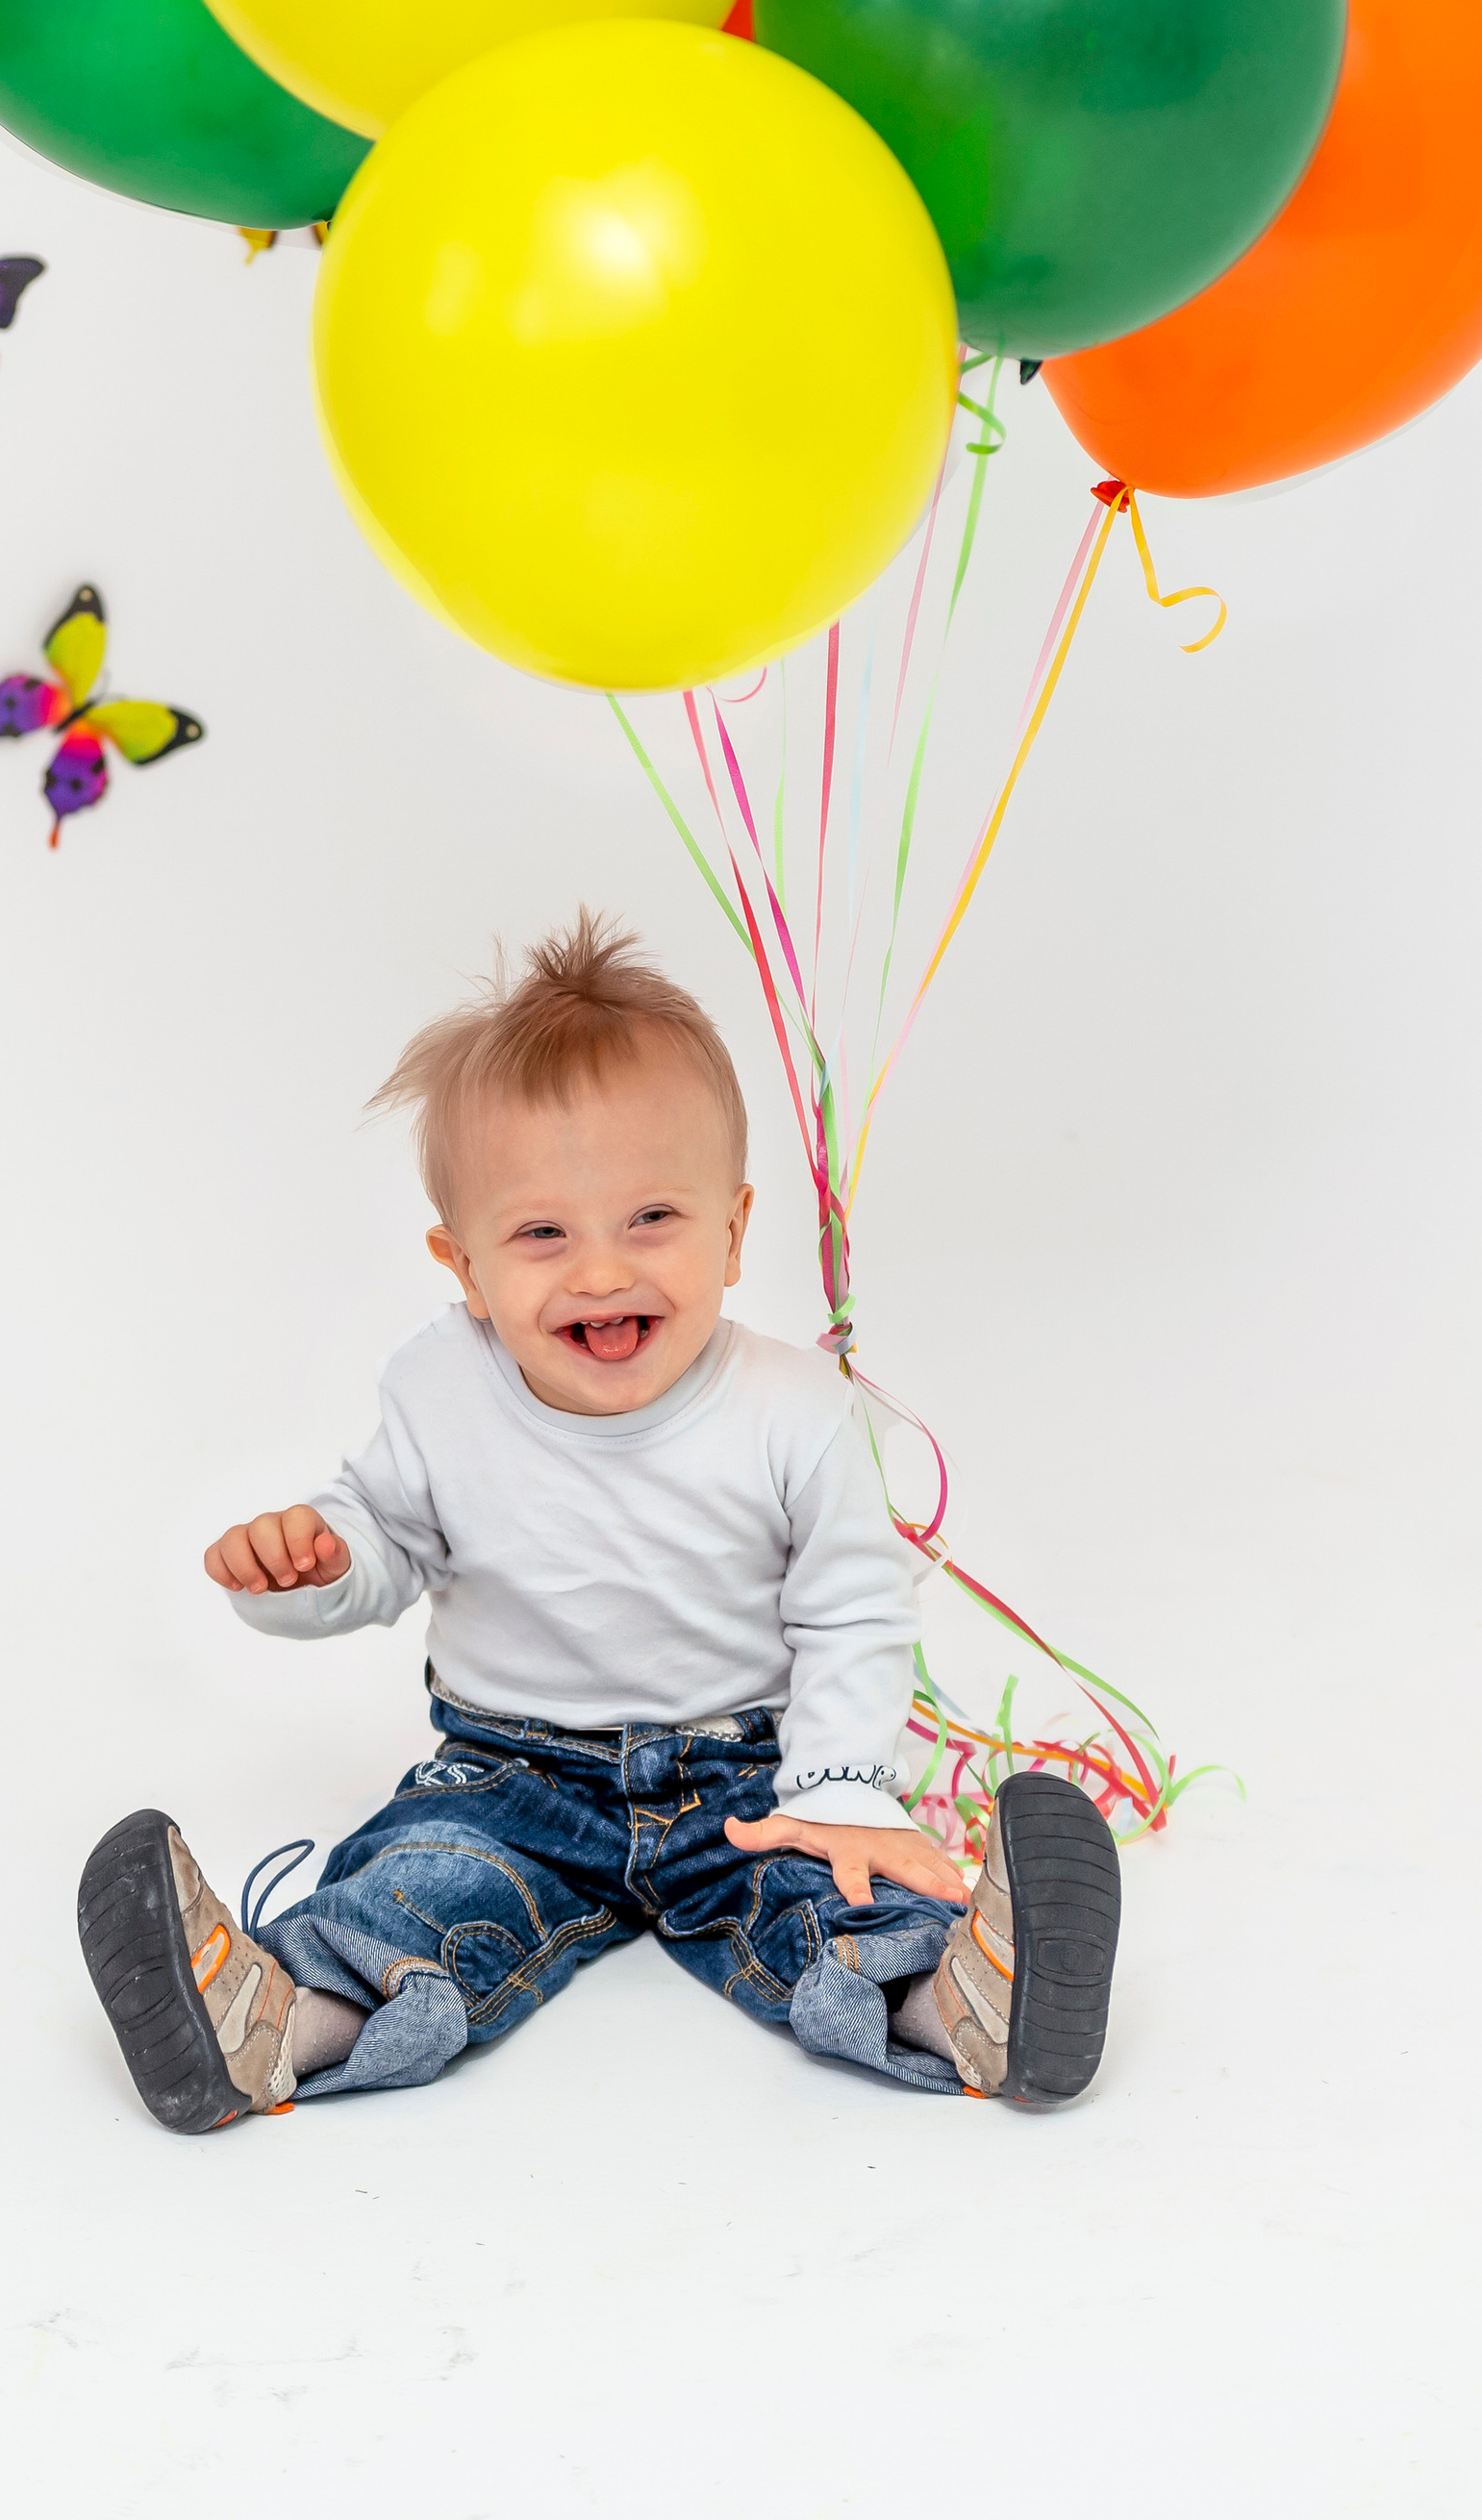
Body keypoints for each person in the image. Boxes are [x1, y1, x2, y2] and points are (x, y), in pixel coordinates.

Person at [77, 912, 1119, 2130]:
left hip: (746, 1765)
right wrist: (313, 1563)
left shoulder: (791, 1408)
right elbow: (385, 1538)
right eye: (539, 1234)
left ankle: (963, 1998)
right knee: (421, 1887)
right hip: (508, 1769)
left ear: (732, 1232)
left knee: (827, 1898)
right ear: (462, 1264)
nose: (600, 1270)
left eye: (650, 1219)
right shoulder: (438, 1386)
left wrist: (839, 1786)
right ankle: (270, 2017)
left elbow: (849, 1608)